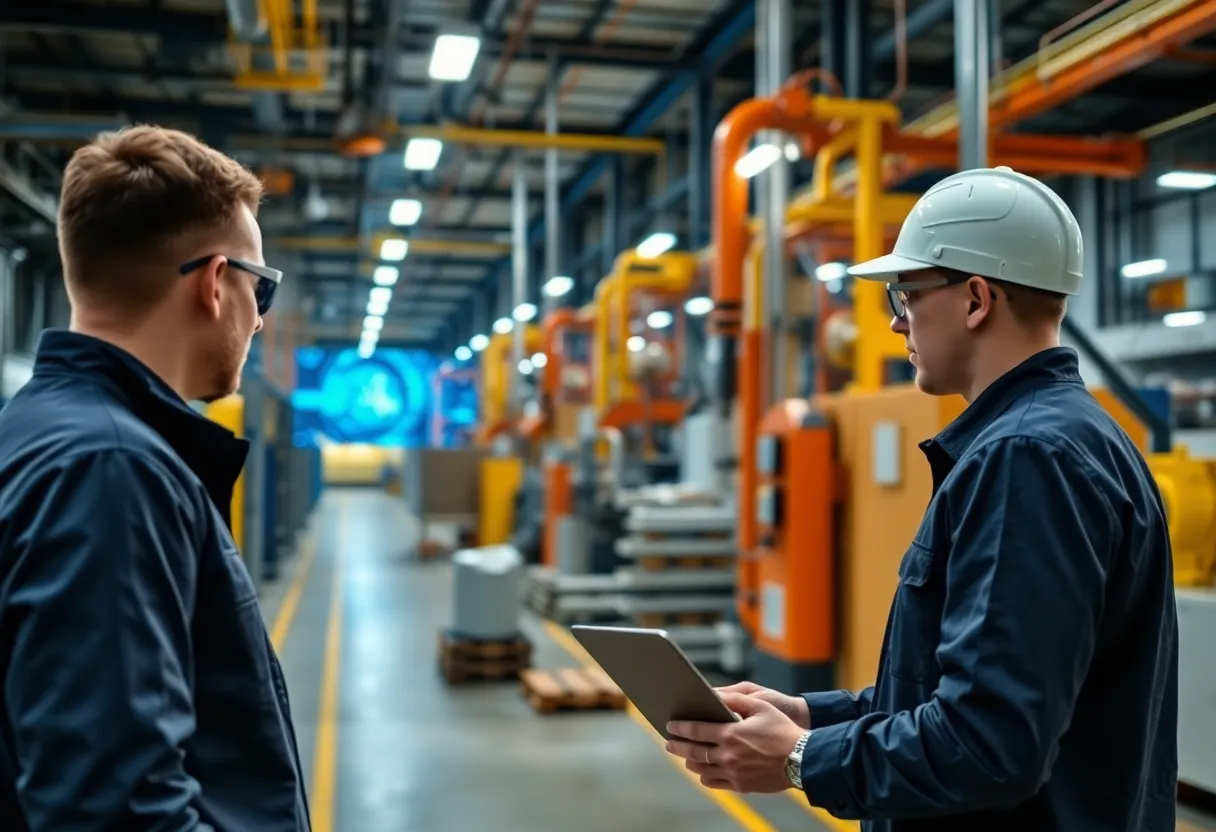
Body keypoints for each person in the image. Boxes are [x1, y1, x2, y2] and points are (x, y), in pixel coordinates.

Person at [664, 166, 1178, 831]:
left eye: (904, 294)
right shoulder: (1072, 438)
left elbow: (988, 745)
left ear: (975, 299)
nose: (898, 323)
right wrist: (812, 717)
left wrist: (798, 759)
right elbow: (954, 689)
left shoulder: (1027, 457)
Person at [0, 126, 309, 830]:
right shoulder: (112, 470)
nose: (259, 322)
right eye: (260, 290)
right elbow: (116, 809)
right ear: (212, 283)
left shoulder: (37, 432)